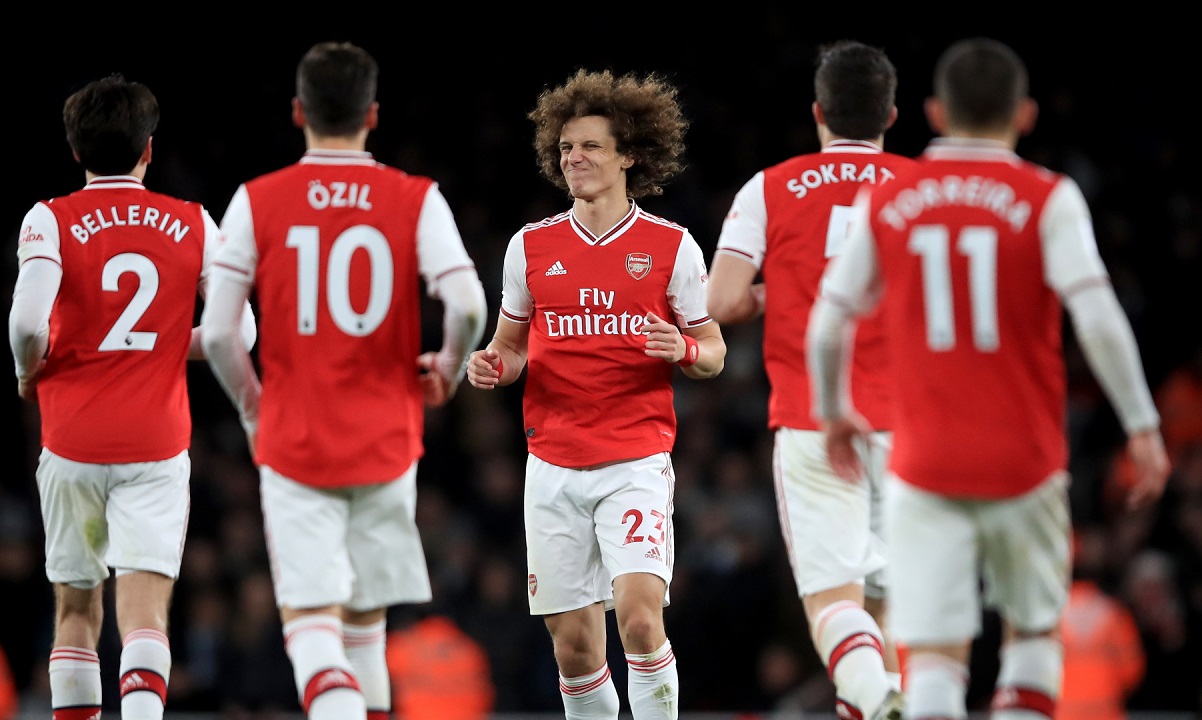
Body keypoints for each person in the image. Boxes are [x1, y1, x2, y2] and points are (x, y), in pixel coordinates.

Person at [806, 37, 1171, 720]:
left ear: (935, 113)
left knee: (935, 662)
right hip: (1025, 462)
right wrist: (1143, 426)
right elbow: (1097, 317)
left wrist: (832, 411)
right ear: (1025, 114)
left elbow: (829, 322)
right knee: (1032, 639)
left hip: (924, 464)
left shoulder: (888, 198)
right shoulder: (1049, 196)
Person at [201, 41, 487, 720]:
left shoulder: (257, 200)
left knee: (311, 627)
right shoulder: (415, 198)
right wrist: (448, 370)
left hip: (296, 440)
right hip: (387, 440)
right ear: (372, 114)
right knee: (365, 629)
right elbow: (470, 304)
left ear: (298, 112)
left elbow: (216, 335)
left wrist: (254, 410)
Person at [465, 68, 725, 720]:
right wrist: (494, 365)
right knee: (576, 649)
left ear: (628, 154)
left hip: (634, 462)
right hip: (552, 466)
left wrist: (684, 349)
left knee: (639, 620)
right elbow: (511, 347)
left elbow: (714, 350)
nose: (573, 158)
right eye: (565, 147)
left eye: (589, 147)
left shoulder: (672, 247)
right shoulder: (530, 247)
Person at [8, 73, 257, 720]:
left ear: (75, 151)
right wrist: (166, 343)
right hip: (155, 449)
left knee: (76, 610)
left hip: (73, 445)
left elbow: (27, 324)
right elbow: (239, 333)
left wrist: (28, 371)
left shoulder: (49, 218)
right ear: (149, 148)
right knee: (144, 611)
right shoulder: (194, 222)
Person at [706, 39, 914, 720]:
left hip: (815, 419)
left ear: (818, 112)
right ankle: (885, 699)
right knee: (885, 610)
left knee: (834, 606)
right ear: (890, 115)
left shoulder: (769, 187)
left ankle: (882, 702)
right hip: (914, 426)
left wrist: (783, 291)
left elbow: (721, 300)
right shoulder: (923, 189)